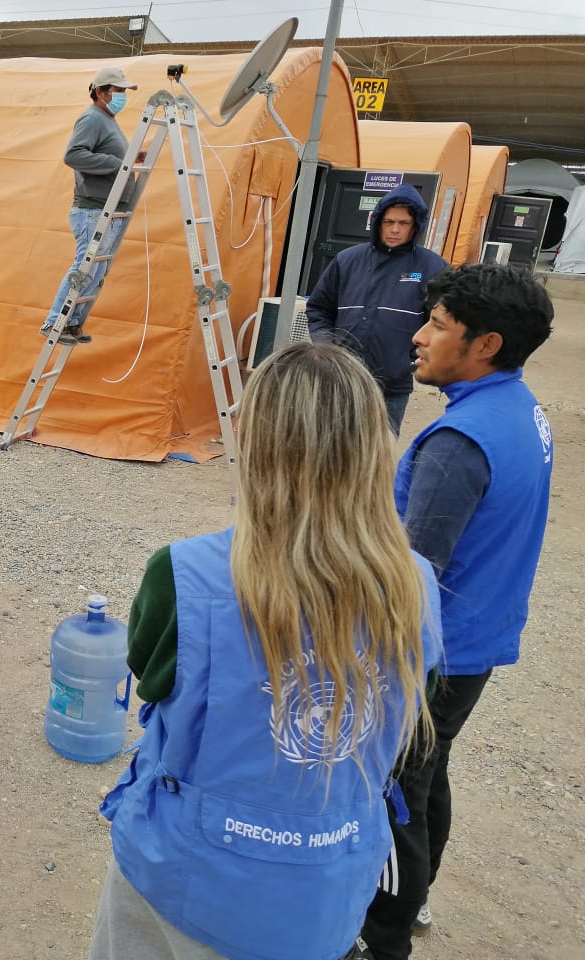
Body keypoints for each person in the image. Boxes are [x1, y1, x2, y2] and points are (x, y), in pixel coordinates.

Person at [89, 341, 442, 960]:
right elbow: (415, 703)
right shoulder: (417, 585)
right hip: (327, 886)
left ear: (255, 444)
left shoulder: (186, 573)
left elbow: (150, 678)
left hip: (186, 874)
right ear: (373, 450)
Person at [353, 264, 554, 960]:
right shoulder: (518, 408)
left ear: (486, 344)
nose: (420, 335)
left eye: (438, 325)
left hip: (437, 651)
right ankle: (418, 894)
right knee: (428, 771)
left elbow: (414, 569)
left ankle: (381, 939)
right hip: (480, 638)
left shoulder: (458, 445)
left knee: (395, 791)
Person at [306, 183, 449, 433]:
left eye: (403, 223)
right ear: (377, 222)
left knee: (380, 455)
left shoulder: (432, 267)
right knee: (332, 448)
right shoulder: (347, 260)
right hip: (342, 379)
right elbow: (319, 309)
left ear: (415, 226)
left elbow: (445, 323)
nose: (395, 229)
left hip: (392, 385)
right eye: (389, 222)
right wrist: (326, 348)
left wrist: (413, 359)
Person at [40, 64, 140, 346]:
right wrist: (115, 165)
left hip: (107, 207)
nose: (123, 95)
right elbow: (73, 155)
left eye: (124, 91)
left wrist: (133, 157)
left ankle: (71, 323)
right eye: (118, 90)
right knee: (84, 267)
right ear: (100, 92)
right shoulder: (93, 118)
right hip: (93, 208)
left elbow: (110, 154)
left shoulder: (108, 120)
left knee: (95, 270)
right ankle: (54, 322)